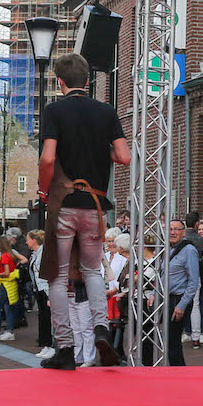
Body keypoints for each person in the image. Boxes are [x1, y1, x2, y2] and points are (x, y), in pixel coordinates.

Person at [36, 51, 131, 370]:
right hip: (94, 205)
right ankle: (101, 328)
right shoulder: (106, 111)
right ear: (88, 81)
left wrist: (43, 189)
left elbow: (48, 158)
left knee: (58, 275)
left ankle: (65, 347)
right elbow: (124, 156)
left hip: (63, 203)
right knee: (92, 270)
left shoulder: (54, 111)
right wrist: (97, 148)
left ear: (59, 81)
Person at [165, 219, 201, 366]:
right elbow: (161, 274)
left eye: (177, 229)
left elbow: (193, 281)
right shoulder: (166, 248)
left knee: (173, 340)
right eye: (170, 229)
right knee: (166, 339)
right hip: (165, 298)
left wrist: (182, 305)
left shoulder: (189, 251)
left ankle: (178, 371)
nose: (173, 232)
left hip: (178, 299)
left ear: (183, 232)